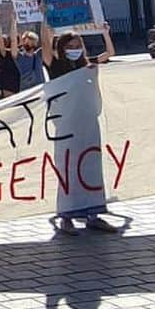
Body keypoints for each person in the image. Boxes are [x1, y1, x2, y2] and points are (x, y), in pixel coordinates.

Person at [43, 21, 117, 235]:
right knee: (68, 169)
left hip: (87, 125)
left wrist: (105, 33)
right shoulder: (56, 66)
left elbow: (110, 53)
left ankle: (93, 214)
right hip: (66, 126)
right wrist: (43, 23)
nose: (75, 50)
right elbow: (46, 49)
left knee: (91, 167)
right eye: (70, 46)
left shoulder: (87, 65)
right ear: (62, 48)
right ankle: (66, 217)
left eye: (78, 46)